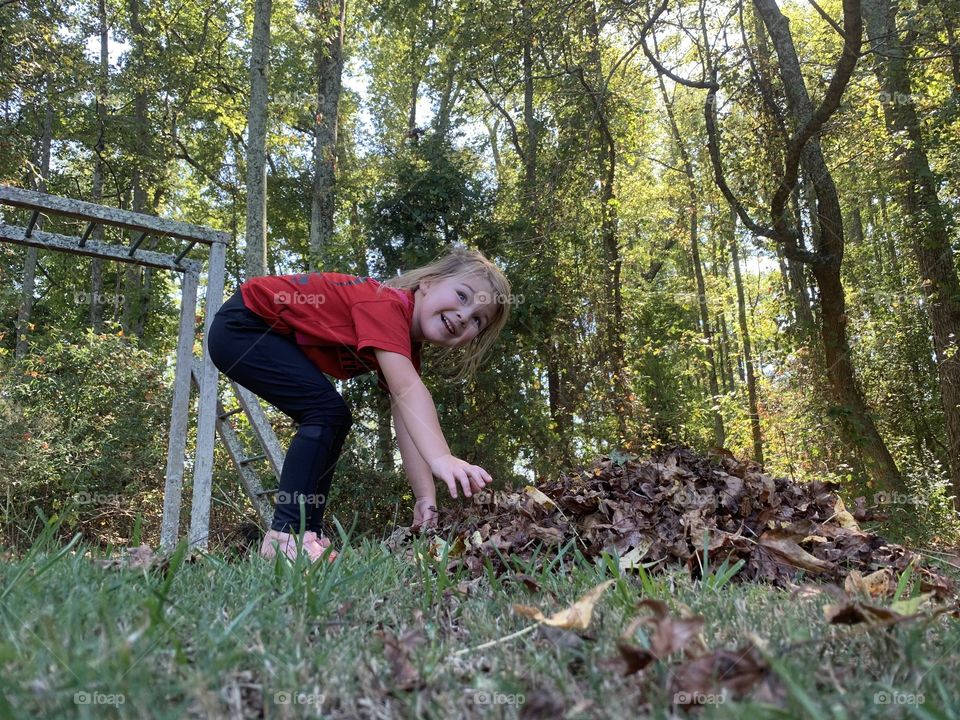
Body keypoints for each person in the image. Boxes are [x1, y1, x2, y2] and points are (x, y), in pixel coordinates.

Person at [207, 247, 511, 563]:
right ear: (429, 283)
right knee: (325, 412)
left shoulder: (404, 341)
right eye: (463, 296)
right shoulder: (387, 303)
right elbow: (408, 390)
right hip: (244, 326)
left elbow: (407, 420)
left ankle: (308, 536)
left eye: (478, 319)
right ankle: (286, 534)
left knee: (333, 416)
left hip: (251, 330)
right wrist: (442, 456)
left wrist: (425, 495)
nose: (465, 316)